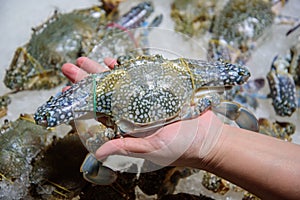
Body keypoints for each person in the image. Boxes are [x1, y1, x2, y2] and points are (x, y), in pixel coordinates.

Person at [62, 57, 300, 200]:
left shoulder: (110, 113)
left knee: (95, 151)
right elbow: (239, 73)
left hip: (125, 125)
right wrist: (214, 143)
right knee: (225, 105)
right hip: (191, 113)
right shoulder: (188, 85)